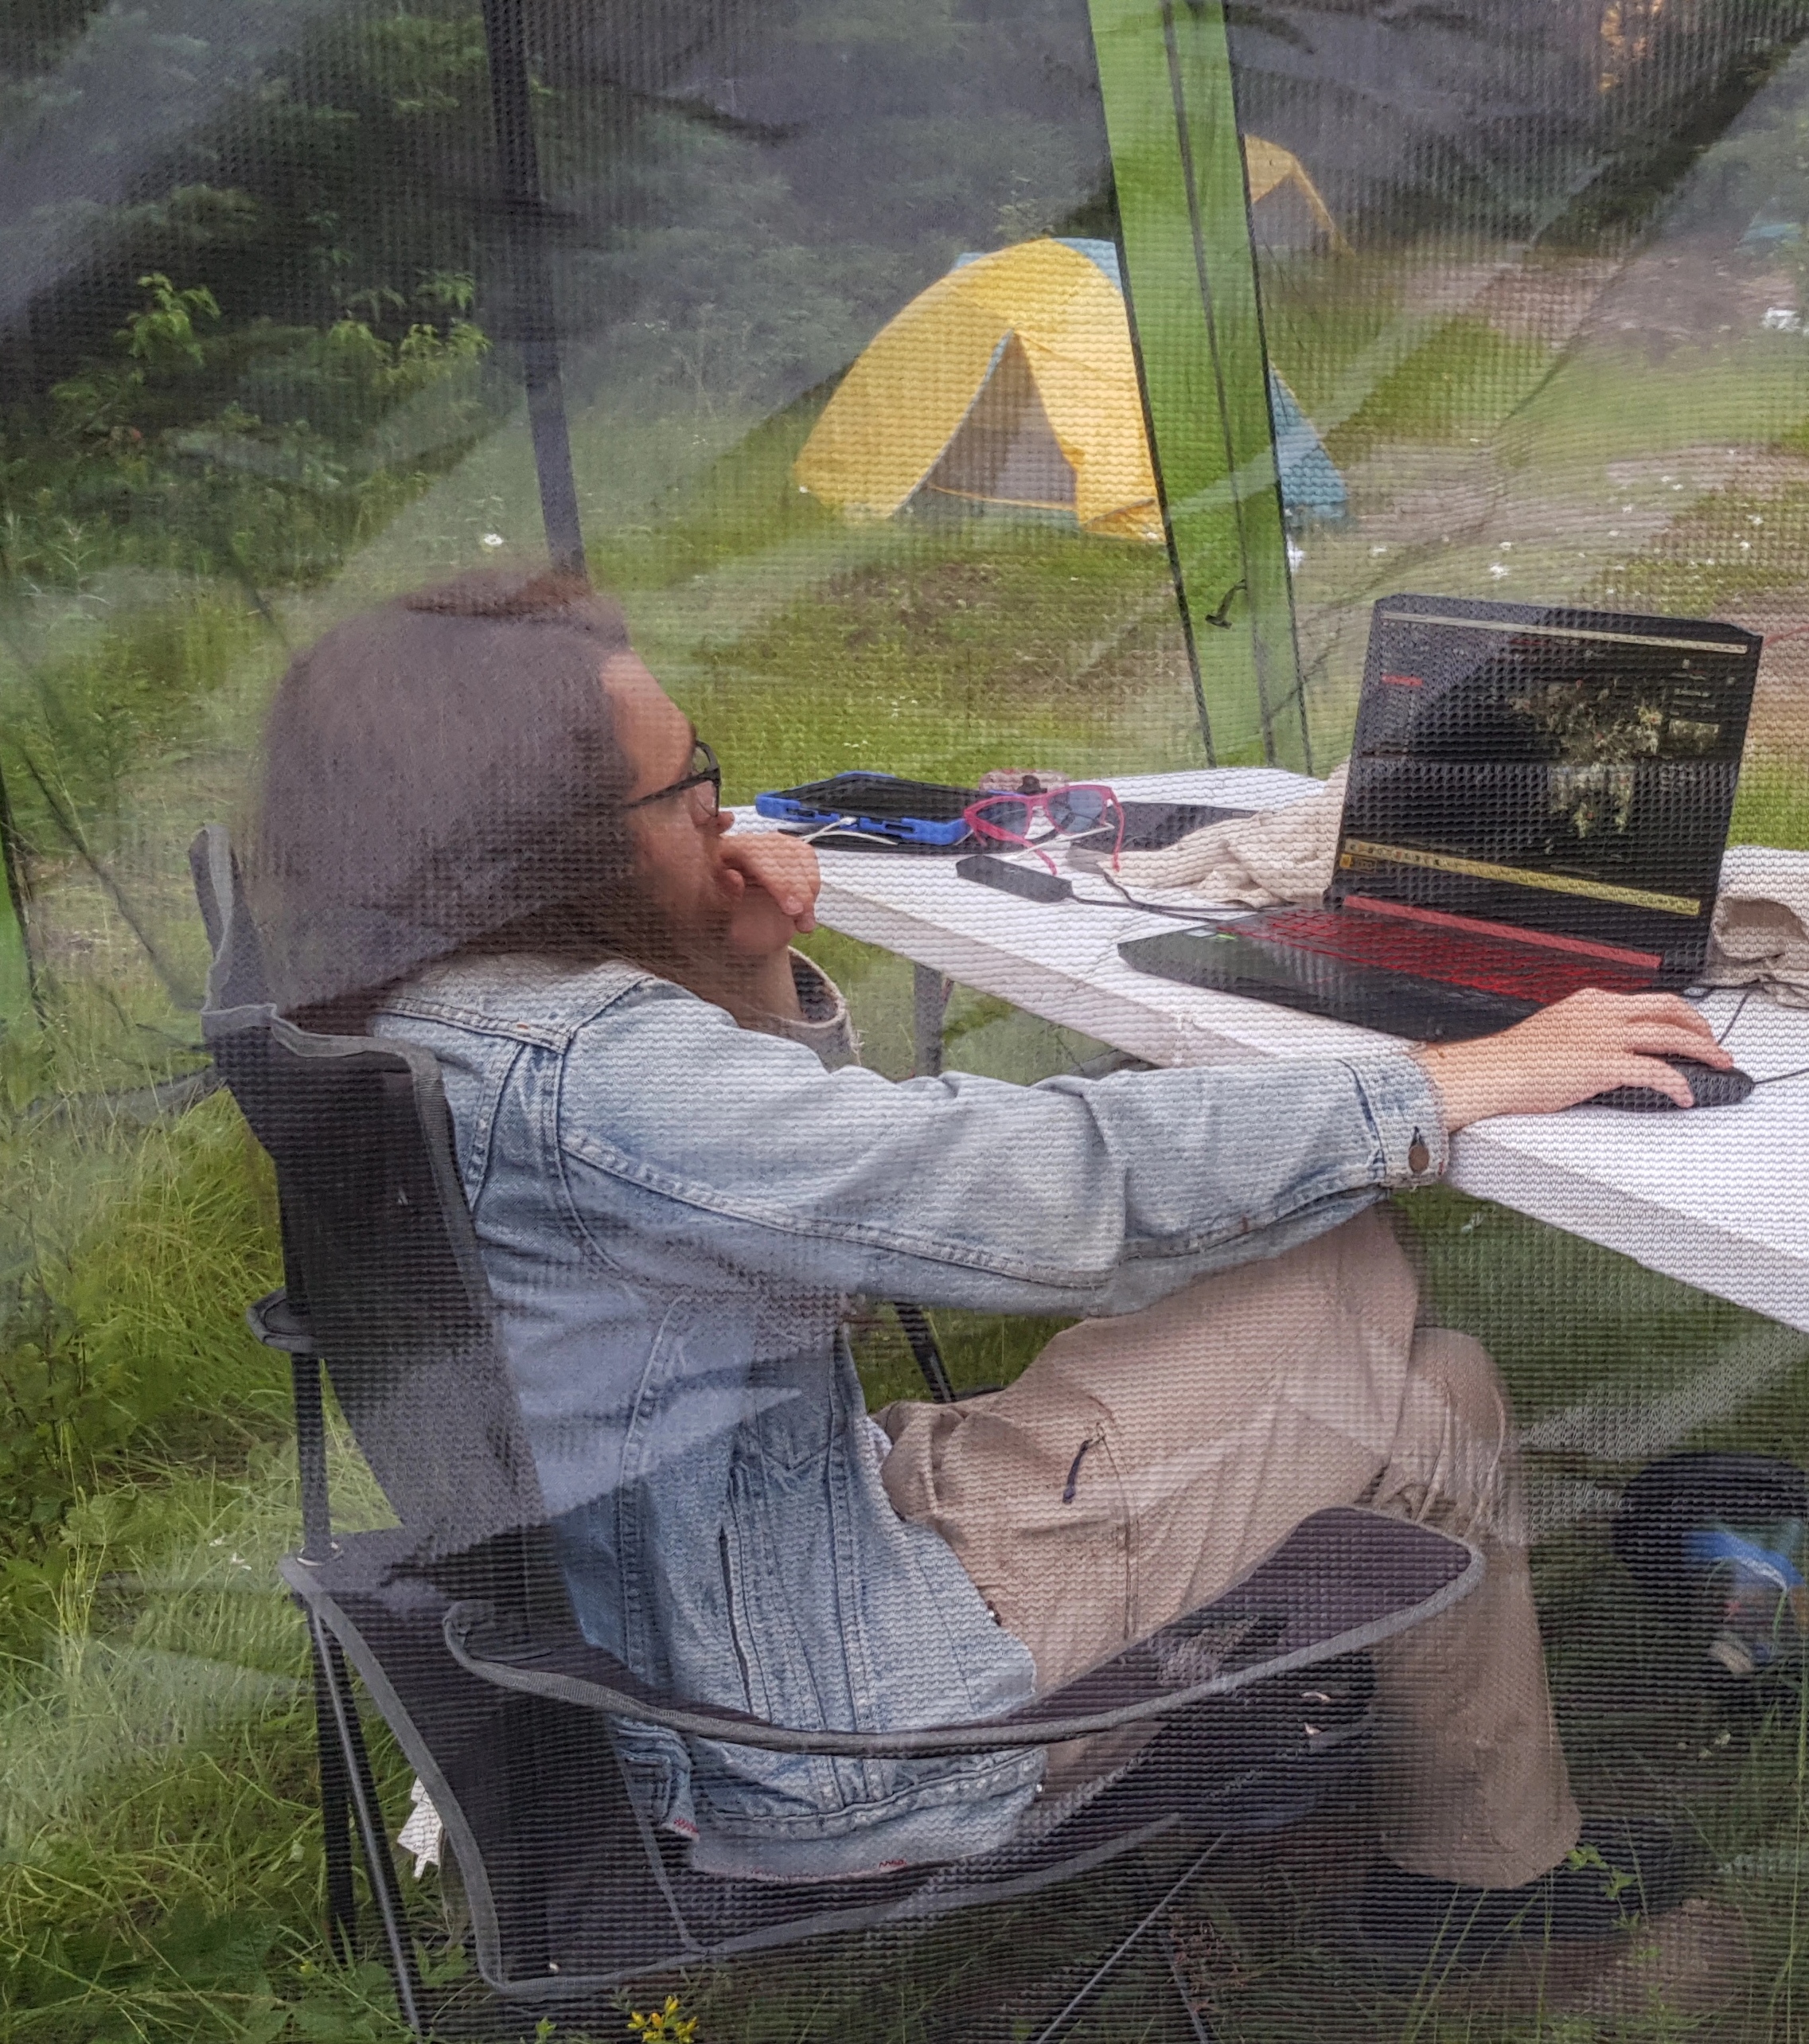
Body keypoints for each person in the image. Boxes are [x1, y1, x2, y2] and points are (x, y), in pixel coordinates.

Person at [253, 570, 1729, 1917]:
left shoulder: (428, 1011)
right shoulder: (591, 1073)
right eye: (689, 785)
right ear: (551, 850)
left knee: (1435, 1392)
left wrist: (746, 971)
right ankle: (1467, 1863)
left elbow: (781, 1215)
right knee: (1346, 1261)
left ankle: (1477, 1873)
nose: (720, 813)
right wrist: (1440, 1082)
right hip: (837, 1726)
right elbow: (1023, 1192)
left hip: (729, 1597)